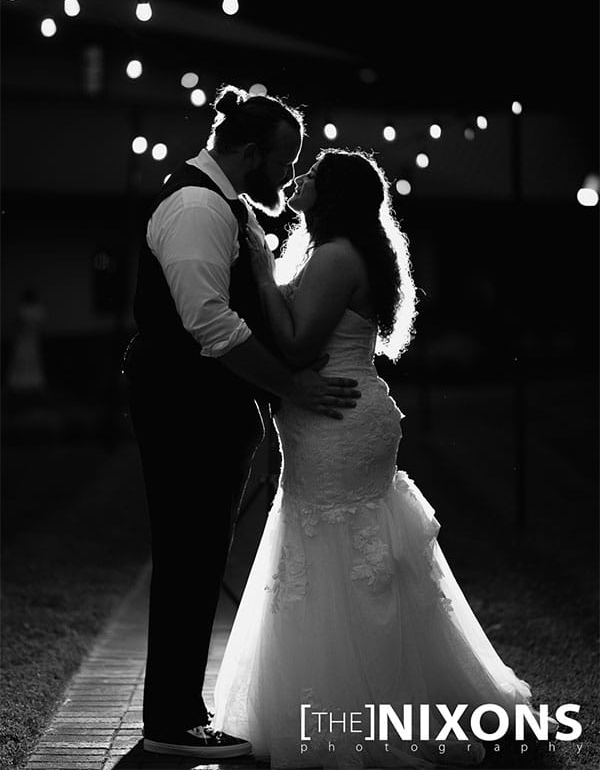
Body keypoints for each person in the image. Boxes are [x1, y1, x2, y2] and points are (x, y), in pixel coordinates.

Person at [213, 148, 556, 768]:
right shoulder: (339, 251)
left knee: (335, 550)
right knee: (345, 551)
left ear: (336, 193)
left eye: (313, 174)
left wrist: (262, 274)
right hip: (337, 416)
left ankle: (355, 707)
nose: (300, 179)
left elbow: (294, 344)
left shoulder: (339, 256)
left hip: (335, 420)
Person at [122, 86, 361, 760]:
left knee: (197, 557)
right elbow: (211, 326)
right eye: (285, 162)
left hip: (204, 411)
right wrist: (292, 388)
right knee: (187, 556)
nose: (289, 176)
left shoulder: (228, 205)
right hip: (182, 409)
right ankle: (171, 723)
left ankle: (181, 710)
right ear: (250, 153)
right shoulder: (198, 206)